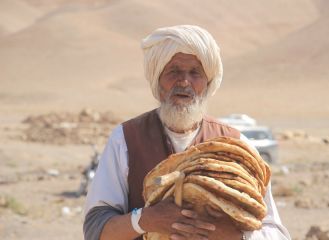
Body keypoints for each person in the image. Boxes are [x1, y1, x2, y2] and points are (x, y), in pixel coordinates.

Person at [83, 25, 291, 240]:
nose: (184, 82)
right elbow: (96, 229)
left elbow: (276, 232)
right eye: (174, 71)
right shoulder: (126, 139)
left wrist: (237, 236)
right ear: (158, 79)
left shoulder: (236, 144)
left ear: (207, 83)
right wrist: (145, 220)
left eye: (195, 73)